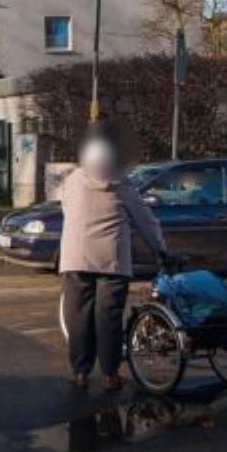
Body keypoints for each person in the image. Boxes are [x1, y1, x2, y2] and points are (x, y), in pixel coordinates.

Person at [59, 124, 166, 392]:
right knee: (109, 318)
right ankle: (109, 375)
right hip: (112, 261)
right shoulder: (122, 186)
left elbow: (66, 208)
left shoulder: (72, 180)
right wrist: (159, 248)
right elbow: (145, 221)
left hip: (76, 257)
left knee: (78, 316)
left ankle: (80, 372)